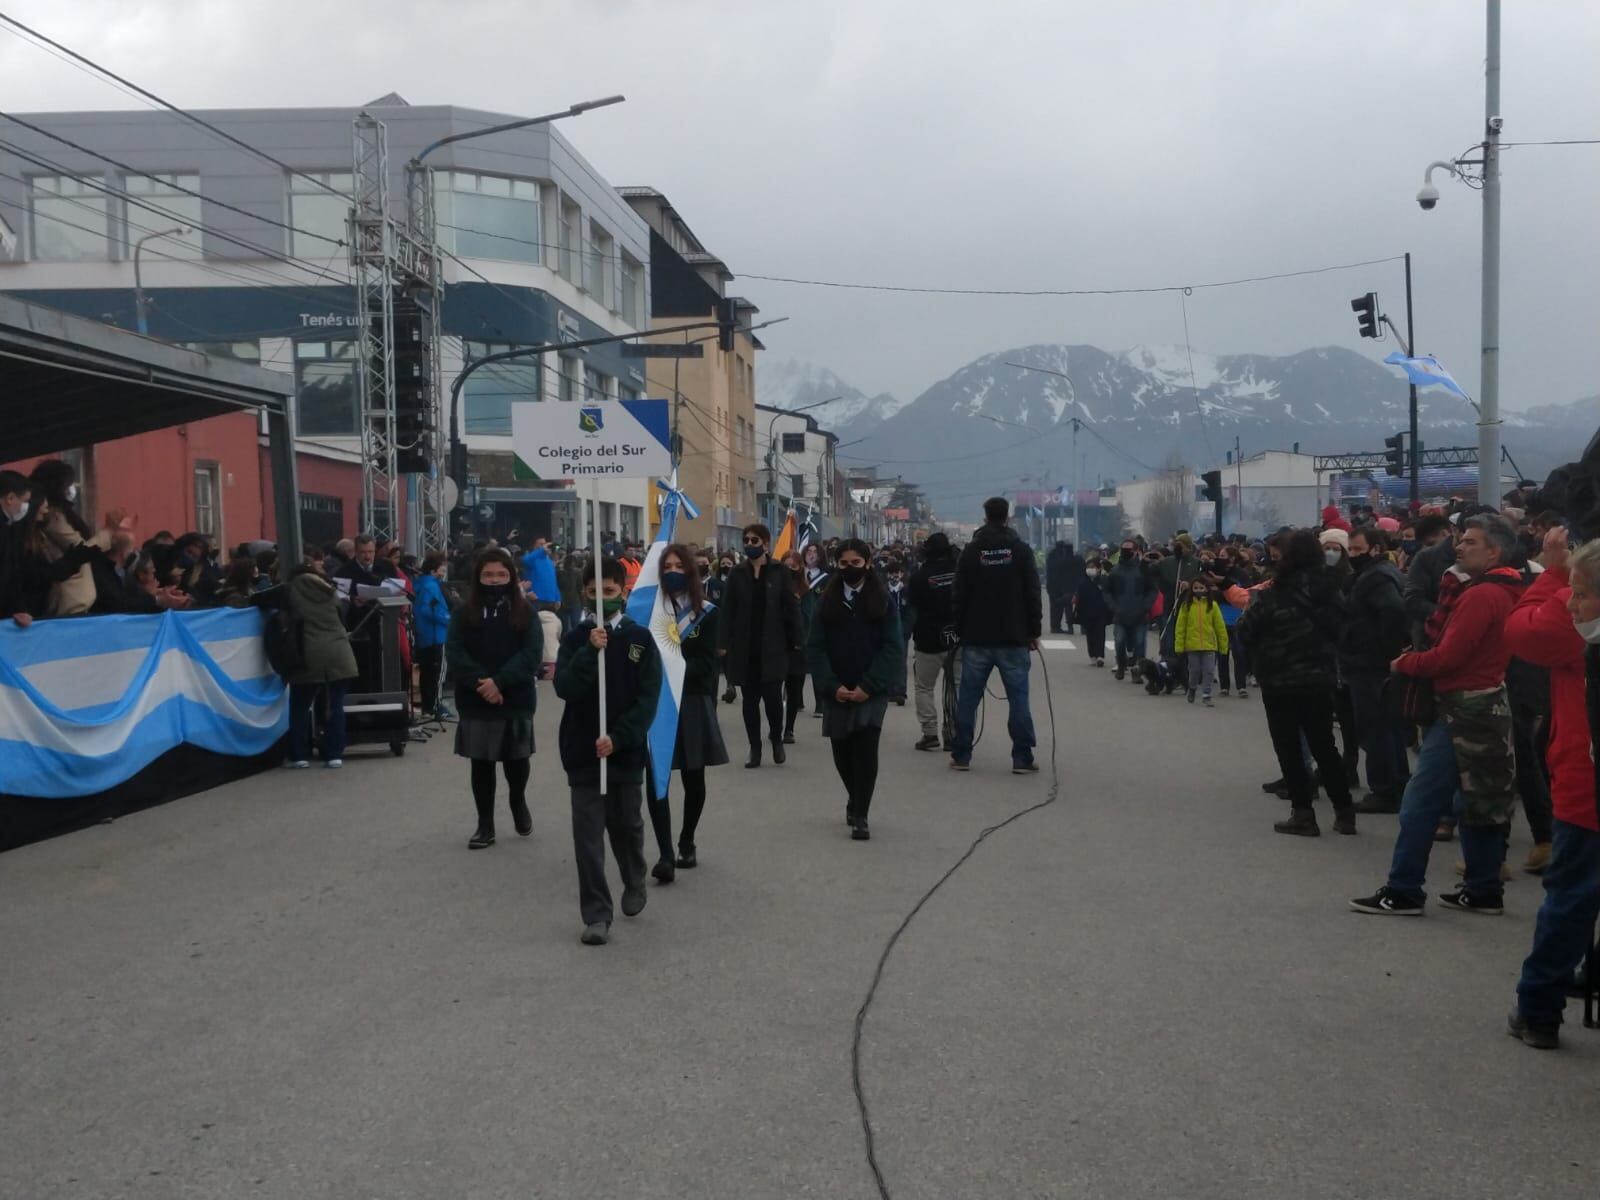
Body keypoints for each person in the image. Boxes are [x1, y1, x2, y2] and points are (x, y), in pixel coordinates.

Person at [1350, 515, 1524, 915]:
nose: (1459, 547)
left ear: (1493, 551)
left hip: (1462, 709)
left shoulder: (1481, 596)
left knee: (1421, 801)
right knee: (1477, 800)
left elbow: (1449, 656)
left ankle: (1404, 888)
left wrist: (1405, 664)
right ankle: (1482, 889)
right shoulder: (1505, 590)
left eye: (1470, 542)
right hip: (1488, 705)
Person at [1503, 528, 1597, 1048]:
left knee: (1570, 899)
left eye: (1583, 594)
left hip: (1585, 787)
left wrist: (1554, 573)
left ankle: (1539, 1010)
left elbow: (1520, 631)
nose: (1575, 603)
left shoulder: (1574, 628)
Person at [554, 556, 662, 946]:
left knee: (626, 826)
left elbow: (648, 699)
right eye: (595, 591)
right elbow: (565, 687)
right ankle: (597, 914)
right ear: (584, 593)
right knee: (587, 839)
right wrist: (588, 651)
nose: (602, 597)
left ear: (623, 592)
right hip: (583, 753)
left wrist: (620, 737)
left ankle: (634, 876)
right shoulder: (574, 638)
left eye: (610, 591)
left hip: (623, 753)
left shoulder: (639, 639)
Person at [1237, 528, 1355, 837]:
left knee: (1289, 746)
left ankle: (1303, 813)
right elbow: (1343, 626)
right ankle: (1344, 812)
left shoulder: (1276, 591)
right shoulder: (1332, 589)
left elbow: (1246, 630)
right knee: (1325, 745)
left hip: (1280, 678)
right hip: (1320, 676)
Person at [444, 548, 543, 849]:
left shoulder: (527, 613)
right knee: (481, 764)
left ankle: (518, 801)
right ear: (478, 577)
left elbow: (531, 654)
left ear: (511, 576)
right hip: (475, 699)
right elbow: (455, 652)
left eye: (501, 574)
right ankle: (485, 824)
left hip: (515, 696)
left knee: (516, 760)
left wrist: (500, 682)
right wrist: (482, 683)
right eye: (488, 574)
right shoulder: (463, 613)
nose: (494, 579)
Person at [808, 539, 903, 840]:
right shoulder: (826, 600)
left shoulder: (883, 601)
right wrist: (831, 685)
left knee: (865, 749)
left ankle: (861, 813)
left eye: (856, 563)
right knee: (842, 753)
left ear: (868, 564)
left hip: (870, 691)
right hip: (836, 688)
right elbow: (816, 647)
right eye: (843, 564)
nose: (850, 569)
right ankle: (854, 795)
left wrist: (869, 685)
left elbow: (892, 647)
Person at [650, 545, 728, 873]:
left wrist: (674, 666)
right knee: (657, 778)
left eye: (678, 566)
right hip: (655, 702)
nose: (672, 571)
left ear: (690, 571)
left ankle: (687, 839)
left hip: (692, 698)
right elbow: (634, 653)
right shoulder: (648, 610)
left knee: (694, 777)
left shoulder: (706, 612)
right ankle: (665, 852)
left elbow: (708, 664)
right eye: (666, 566)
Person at [949, 497, 1042, 774]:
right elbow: (1032, 594)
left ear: (985, 516)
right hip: (1013, 637)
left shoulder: (972, 551)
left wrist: (959, 628)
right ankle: (1022, 758)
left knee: (968, 698)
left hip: (977, 637)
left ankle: (962, 754)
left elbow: (958, 593)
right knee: (1019, 699)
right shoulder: (1021, 551)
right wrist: (1033, 631)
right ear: (1008, 517)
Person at [717, 523, 802, 768]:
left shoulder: (779, 571)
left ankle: (776, 739)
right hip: (745, 648)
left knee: (774, 700)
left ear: (766, 544)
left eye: (755, 541)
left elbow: (790, 608)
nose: (749, 545)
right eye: (747, 540)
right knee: (750, 702)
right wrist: (722, 642)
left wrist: (797, 640)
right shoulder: (737, 573)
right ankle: (754, 747)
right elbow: (728, 610)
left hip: (773, 648)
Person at [1341, 527, 1411, 814]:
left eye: (1358, 549)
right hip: (1373, 662)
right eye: (1352, 550)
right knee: (1387, 727)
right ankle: (1396, 785)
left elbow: (1393, 612)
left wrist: (1382, 649)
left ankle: (1384, 789)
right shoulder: (1383, 573)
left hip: (1370, 664)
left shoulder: (1375, 578)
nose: (1353, 555)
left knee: (1374, 728)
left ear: (1376, 548)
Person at [282, 557, 358, 770]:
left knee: (300, 704)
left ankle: (299, 755)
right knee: (335, 704)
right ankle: (335, 754)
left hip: (308, 652)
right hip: (338, 651)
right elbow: (343, 615)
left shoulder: (289, 592)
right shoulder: (331, 591)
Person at [29, 459, 107, 617]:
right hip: (68, 603)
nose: (71, 489)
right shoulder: (52, 517)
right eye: (68, 484)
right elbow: (81, 548)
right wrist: (109, 533)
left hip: (79, 600)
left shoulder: (61, 514)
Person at [907, 532, 961, 750]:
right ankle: (954, 733)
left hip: (928, 639)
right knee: (956, 686)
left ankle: (930, 733)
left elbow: (912, 605)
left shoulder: (920, 576)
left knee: (924, 687)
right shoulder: (959, 573)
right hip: (957, 637)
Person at [1103, 539, 1155, 680]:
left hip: (1140, 614)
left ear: (1136, 551)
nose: (1126, 552)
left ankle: (1137, 671)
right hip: (1120, 614)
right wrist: (1113, 606)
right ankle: (1121, 665)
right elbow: (1107, 591)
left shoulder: (1143, 570)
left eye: (1129, 549)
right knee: (1119, 642)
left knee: (1139, 644)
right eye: (1124, 549)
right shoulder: (1115, 570)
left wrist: (1146, 606)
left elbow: (1152, 590)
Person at [1173, 577, 1227, 706]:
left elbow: (1220, 627)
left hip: (1209, 645)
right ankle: (1192, 688)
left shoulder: (1212, 605)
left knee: (1209, 670)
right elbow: (1180, 627)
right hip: (1192, 645)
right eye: (1195, 588)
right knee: (1194, 670)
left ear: (1207, 589)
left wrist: (1223, 645)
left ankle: (1206, 694)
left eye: (1201, 588)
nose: (1198, 590)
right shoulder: (1186, 606)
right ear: (1191, 589)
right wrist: (1179, 646)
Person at [413, 550, 452, 719]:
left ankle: (428, 706)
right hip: (436, 635)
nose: (444, 570)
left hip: (425, 636)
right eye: (441, 567)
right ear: (434, 570)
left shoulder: (421, 584)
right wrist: (447, 618)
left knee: (427, 674)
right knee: (437, 674)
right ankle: (435, 705)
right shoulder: (432, 586)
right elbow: (429, 609)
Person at [780, 549, 810, 742]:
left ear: (800, 568)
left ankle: (789, 728)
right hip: (776, 645)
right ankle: (776, 725)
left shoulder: (805, 591)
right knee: (773, 691)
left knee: (793, 690)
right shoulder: (773, 587)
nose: (789, 569)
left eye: (793, 566)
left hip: (797, 647)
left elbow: (809, 618)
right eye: (786, 565)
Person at [800, 541, 831, 717]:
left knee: (818, 666)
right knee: (797, 667)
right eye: (808, 551)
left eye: (815, 552)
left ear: (820, 556)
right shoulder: (798, 576)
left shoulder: (826, 578)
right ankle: (797, 701)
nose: (811, 554)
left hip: (817, 626)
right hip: (799, 625)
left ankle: (820, 703)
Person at [1073, 552, 1109, 668]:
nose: (1090, 569)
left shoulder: (1103, 581)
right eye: (1088, 567)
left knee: (1100, 634)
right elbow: (1079, 598)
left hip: (1100, 612)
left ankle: (1100, 656)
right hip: (1087, 612)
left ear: (1099, 569)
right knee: (1090, 635)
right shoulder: (1083, 582)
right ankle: (1092, 655)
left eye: (1093, 567)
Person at [1045, 541, 1083, 634]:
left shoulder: (1056, 556)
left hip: (1058, 586)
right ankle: (1058, 627)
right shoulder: (1059, 557)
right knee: (1063, 607)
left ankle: (1056, 626)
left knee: (1059, 607)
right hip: (1060, 587)